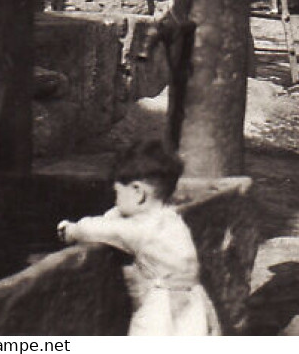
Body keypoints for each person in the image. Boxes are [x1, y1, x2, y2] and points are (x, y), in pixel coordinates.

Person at [57, 140, 221, 336]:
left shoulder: (139, 231)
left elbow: (97, 229)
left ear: (138, 193)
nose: (115, 201)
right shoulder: (170, 217)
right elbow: (117, 219)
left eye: (117, 193)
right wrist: (117, 212)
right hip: (193, 303)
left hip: (163, 310)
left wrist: (70, 229)